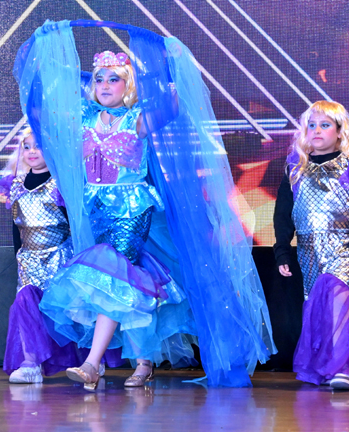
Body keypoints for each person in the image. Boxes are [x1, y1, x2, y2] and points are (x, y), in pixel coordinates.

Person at [15, 20, 276, 389]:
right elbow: (42, 111)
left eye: (114, 79)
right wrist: (44, 48)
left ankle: (92, 364)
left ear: (128, 86)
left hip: (131, 209)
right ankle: (143, 361)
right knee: (131, 281)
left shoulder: (136, 119)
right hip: (97, 211)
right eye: (100, 79)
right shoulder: (85, 118)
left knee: (112, 275)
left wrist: (172, 61)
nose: (105, 85)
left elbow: (171, 107)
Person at [273, 100, 349, 390]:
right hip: (308, 249)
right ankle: (323, 366)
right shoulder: (295, 168)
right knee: (316, 306)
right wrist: (282, 250)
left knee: (337, 301)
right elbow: (283, 214)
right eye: (312, 125)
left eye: (325, 125)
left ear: (340, 131)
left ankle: (341, 368)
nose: (317, 130)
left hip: (342, 247)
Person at [0, 127, 86, 383]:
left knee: (67, 310)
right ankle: (30, 363)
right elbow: (17, 225)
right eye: (27, 147)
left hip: (59, 257)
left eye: (38, 146)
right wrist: (18, 256)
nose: (32, 151)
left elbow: (74, 224)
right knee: (25, 305)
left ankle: (87, 359)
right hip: (28, 259)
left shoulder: (59, 184)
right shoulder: (15, 185)